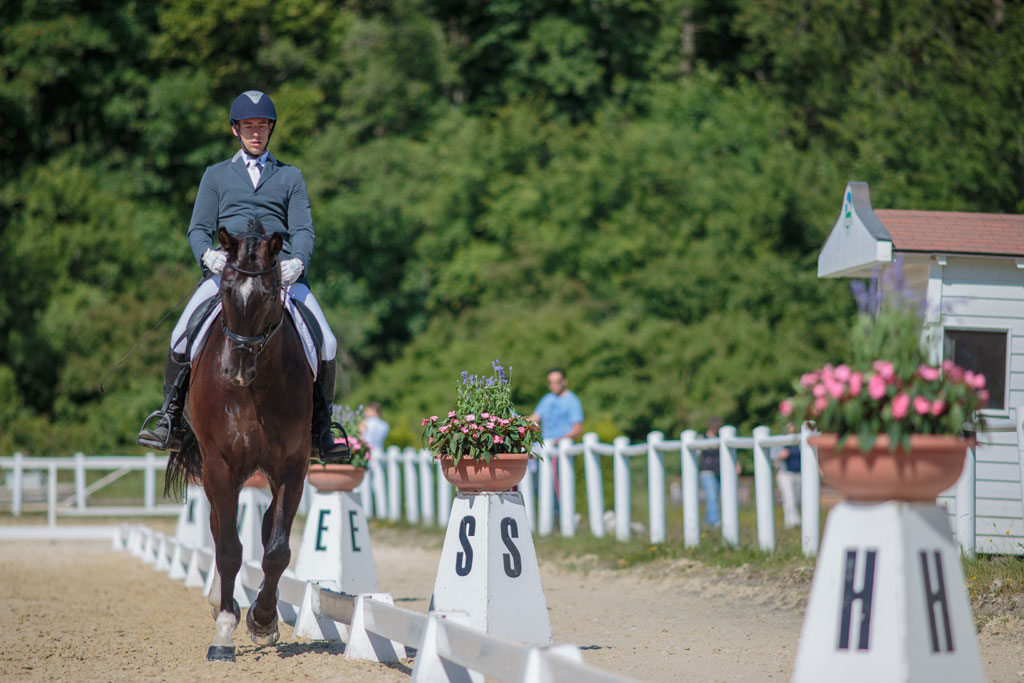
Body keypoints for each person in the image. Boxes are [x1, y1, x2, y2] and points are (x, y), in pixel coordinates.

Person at [136, 90, 347, 461]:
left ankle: (321, 429)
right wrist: (208, 257)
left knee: (326, 342)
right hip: (228, 275)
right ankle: (170, 419)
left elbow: (304, 231)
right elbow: (197, 229)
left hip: (278, 275)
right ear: (235, 130)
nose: (256, 133)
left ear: (270, 130)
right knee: (180, 335)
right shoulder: (215, 175)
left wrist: (297, 263)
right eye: (248, 126)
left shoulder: (290, 176)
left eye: (262, 126)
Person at [528, 367, 584, 501]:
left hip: (560, 449)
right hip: (544, 449)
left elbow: (577, 429)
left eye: (557, 381)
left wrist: (557, 441)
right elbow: (533, 419)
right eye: (551, 382)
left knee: (558, 487)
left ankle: (561, 516)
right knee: (538, 485)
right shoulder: (547, 399)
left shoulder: (572, 401)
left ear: (564, 382)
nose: (554, 385)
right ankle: (552, 517)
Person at [698, 417, 725, 528]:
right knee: (712, 496)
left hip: (718, 471)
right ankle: (716, 521)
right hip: (707, 471)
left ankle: (707, 523)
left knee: (713, 497)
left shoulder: (721, 438)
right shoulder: (702, 438)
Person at [774, 423, 802, 529]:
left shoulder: (799, 440)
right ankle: (791, 522)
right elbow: (773, 459)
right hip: (785, 474)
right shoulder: (780, 440)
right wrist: (779, 456)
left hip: (799, 473)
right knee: (789, 498)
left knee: (797, 498)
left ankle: (795, 521)